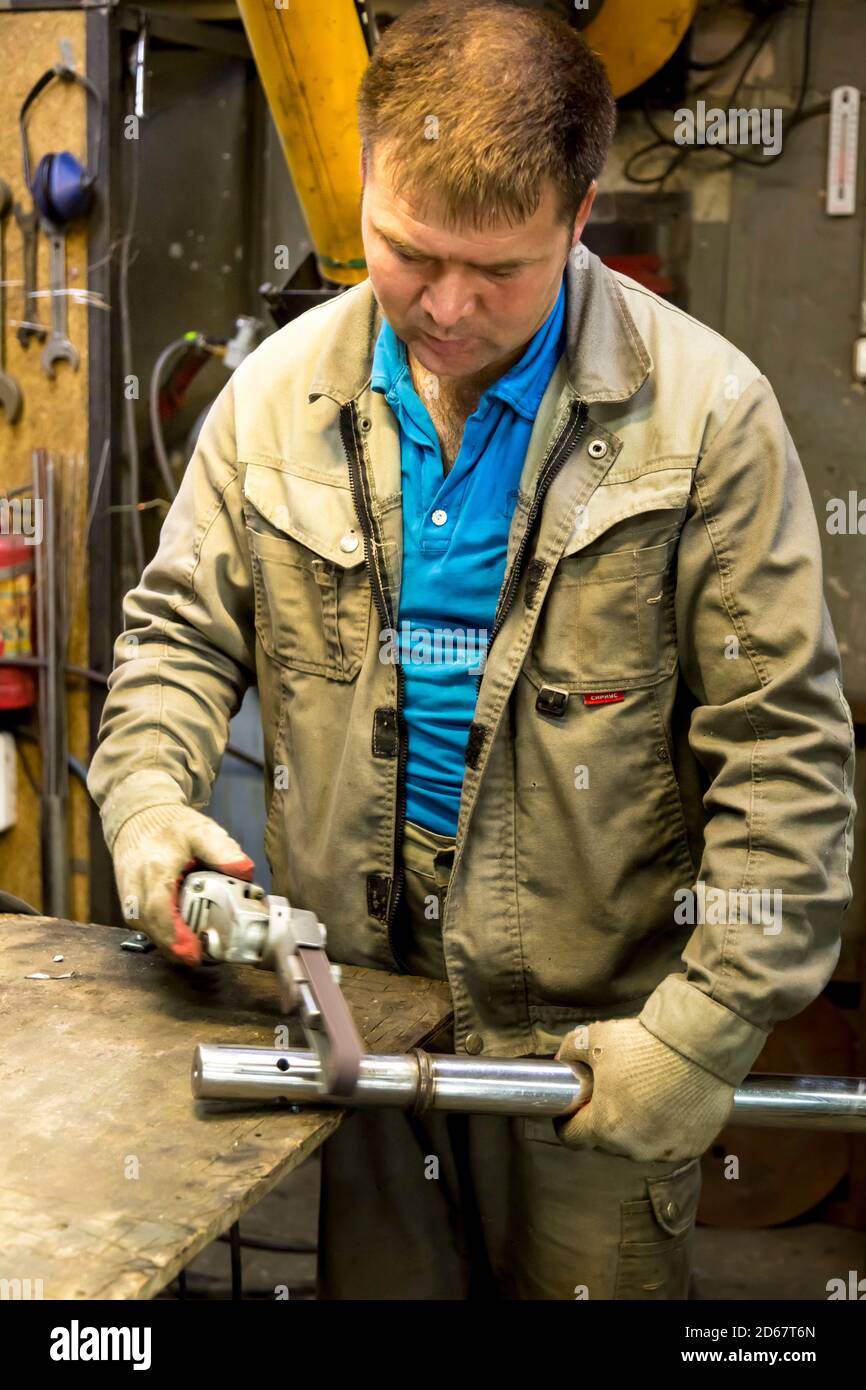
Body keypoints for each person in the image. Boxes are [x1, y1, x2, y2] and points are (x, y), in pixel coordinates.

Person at [88, 0, 856, 1300]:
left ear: (578, 212)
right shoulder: (277, 400)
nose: (444, 308)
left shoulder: (709, 419)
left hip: (593, 1050)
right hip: (357, 1023)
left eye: (497, 270)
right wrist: (151, 806)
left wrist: (702, 1032)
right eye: (405, 251)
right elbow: (172, 643)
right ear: (368, 181)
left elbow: (783, 769)